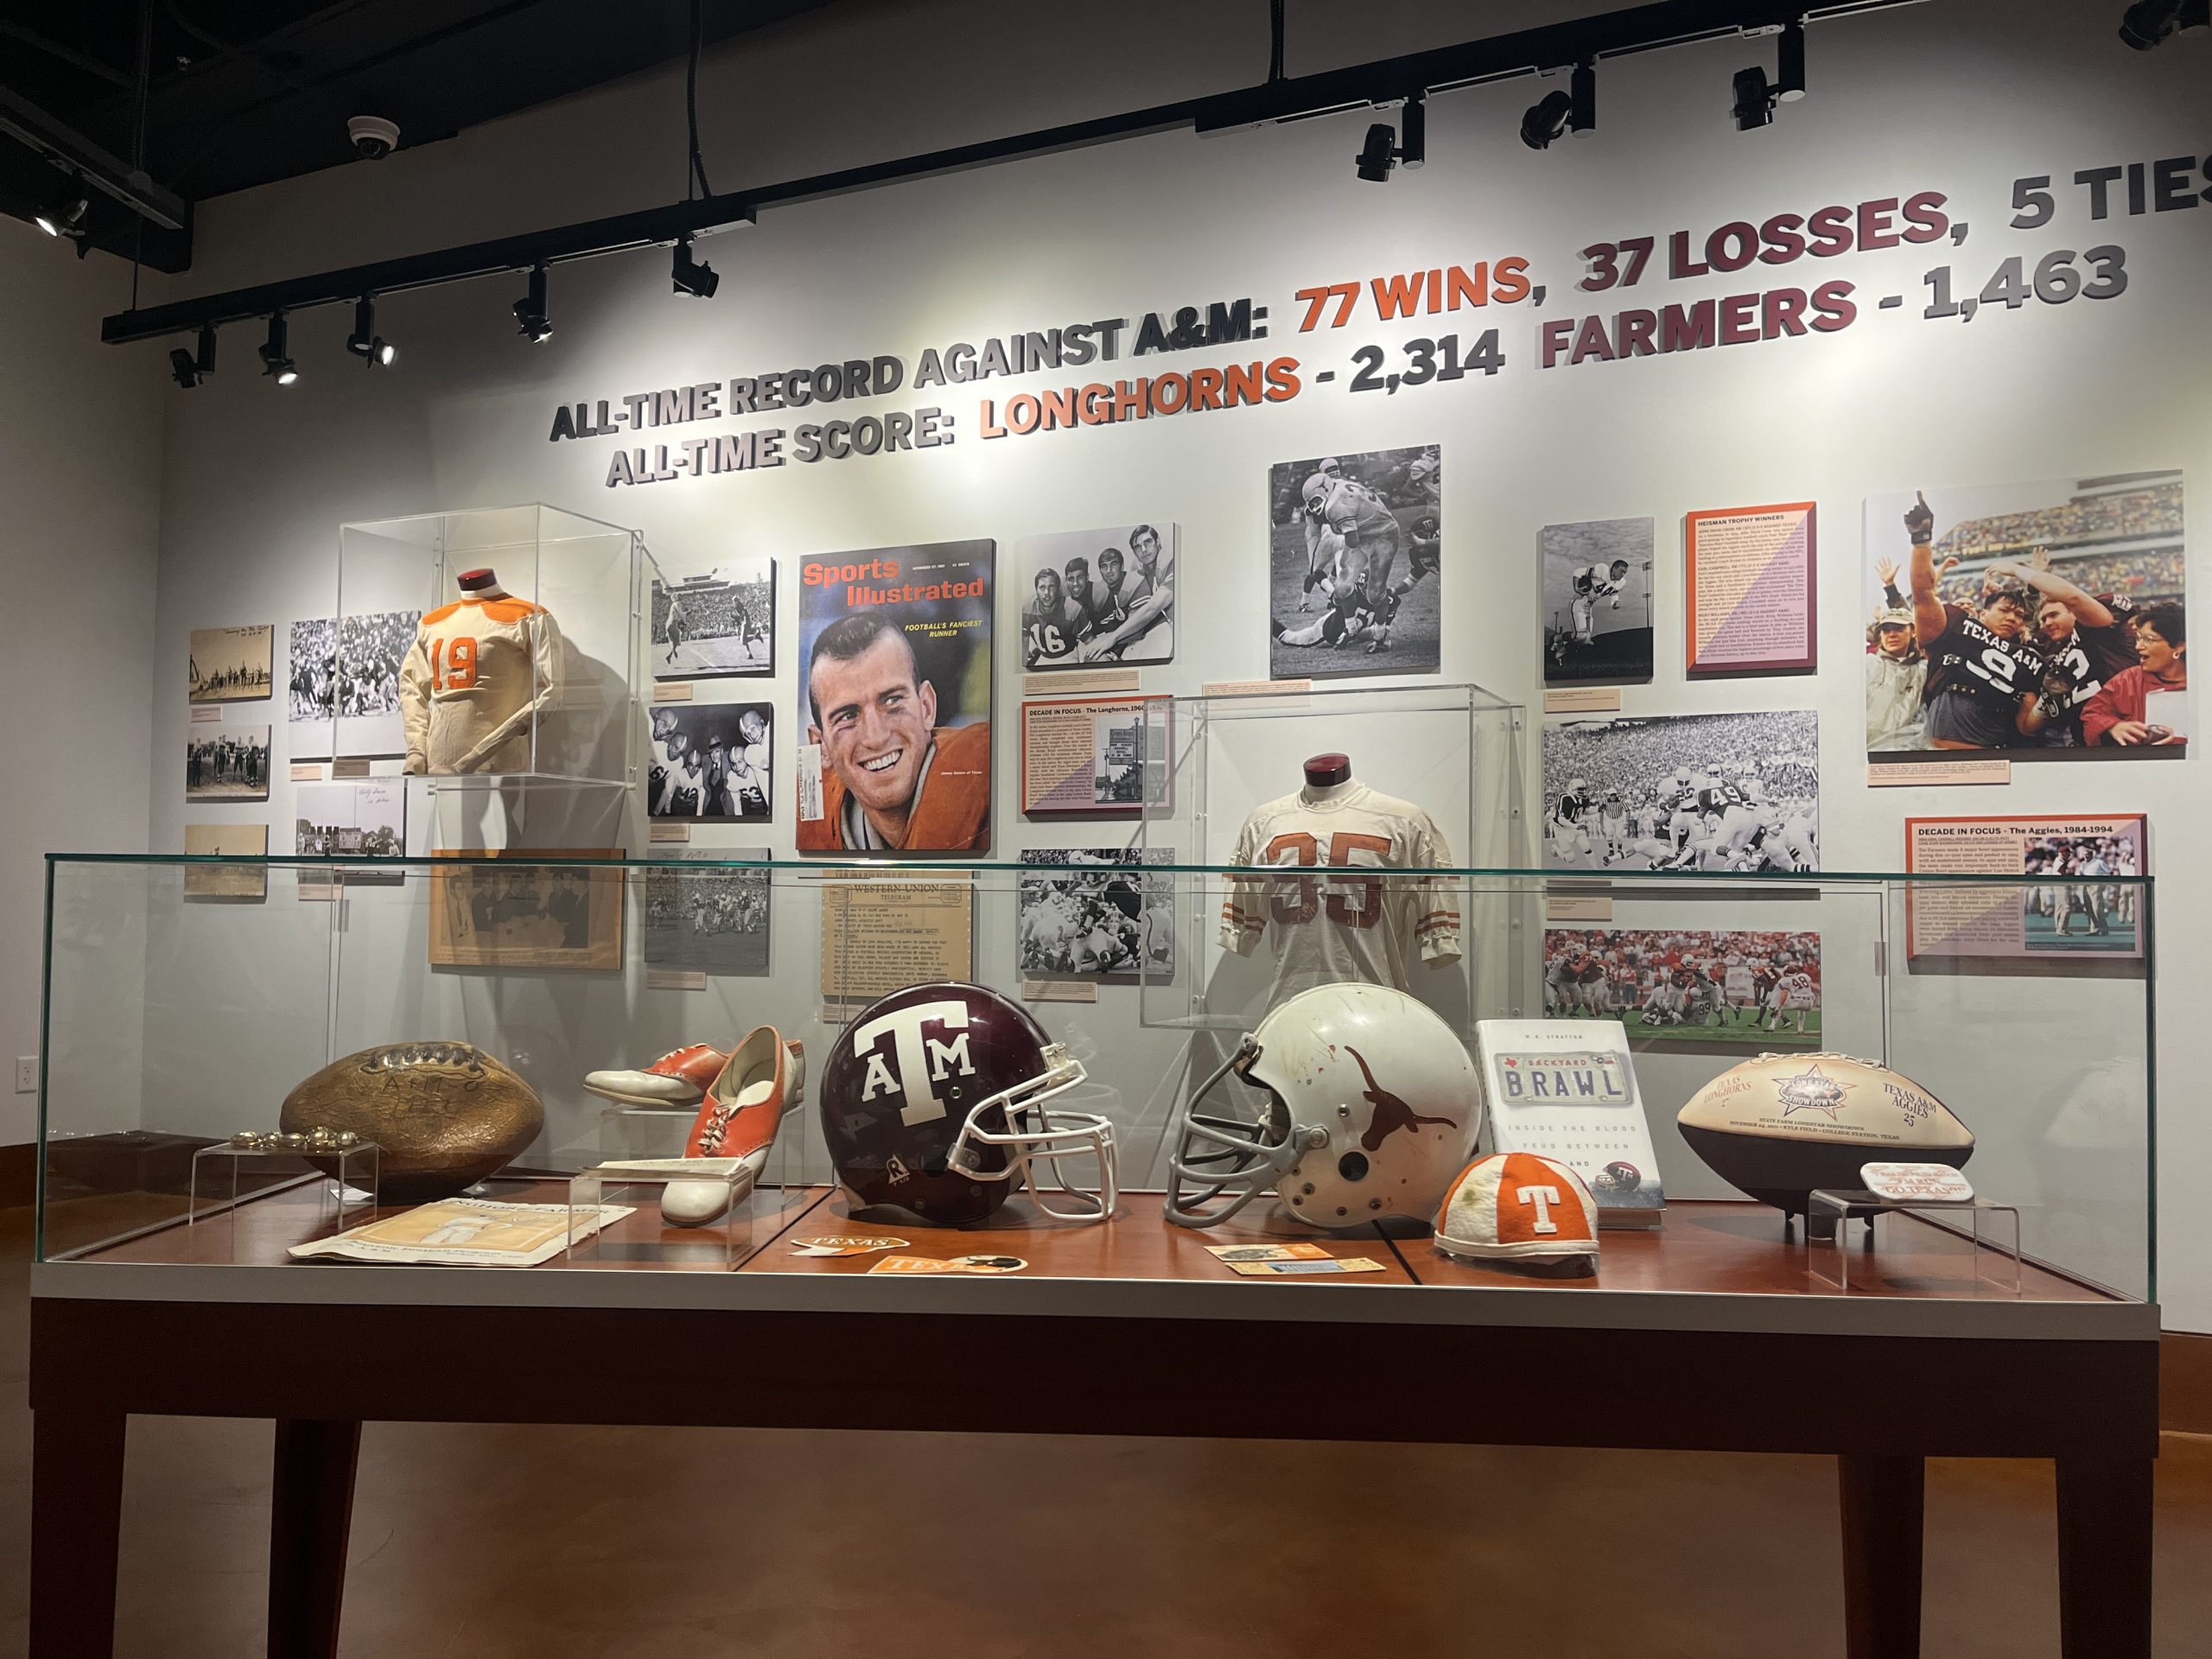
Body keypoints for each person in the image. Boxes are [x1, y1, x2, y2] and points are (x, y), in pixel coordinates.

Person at [799, 612, 990, 851]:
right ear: (820, 746)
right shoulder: (809, 817)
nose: (876, 738)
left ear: (927, 707)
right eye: (848, 716)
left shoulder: (988, 777)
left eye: (892, 701)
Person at [1904, 491, 2050, 749]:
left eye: (2019, 615)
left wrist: (2048, 703)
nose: (2012, 618)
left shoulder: (2030, 658)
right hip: (1938, 747)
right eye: (2005, 610)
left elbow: (2026, 725)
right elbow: (1923, 595)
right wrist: (1921, 542)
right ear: (1983, 613)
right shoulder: (1959, 626)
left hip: (1992, 753)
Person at [2082, 604, 2187, 747]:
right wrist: (2112, 726)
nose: (2138, 646)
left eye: (2149, 639)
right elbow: (2092, 716)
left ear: (2179, 647)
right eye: (2139, 638)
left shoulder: (2203, 683)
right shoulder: (2127, 680)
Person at [1078, 523, 1173, 662]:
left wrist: (1112, 638)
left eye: (1148, 542)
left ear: (1158, 541)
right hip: (1142, 638)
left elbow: (1153, 608)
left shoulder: (1166, 558)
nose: (1144, 549)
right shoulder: (1141, 568)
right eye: (1137, 547)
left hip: (1163, 632)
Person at [1022, 567, 1090, 667]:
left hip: (1068, 656)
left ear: (1058, 590)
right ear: (1036, 590)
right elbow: (1024, 642)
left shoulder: (1072, 608)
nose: (1046, 593)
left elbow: (1090, 641)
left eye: (1051, 587)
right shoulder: (1027, 607)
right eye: (1042, 587)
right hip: (1044, 658)